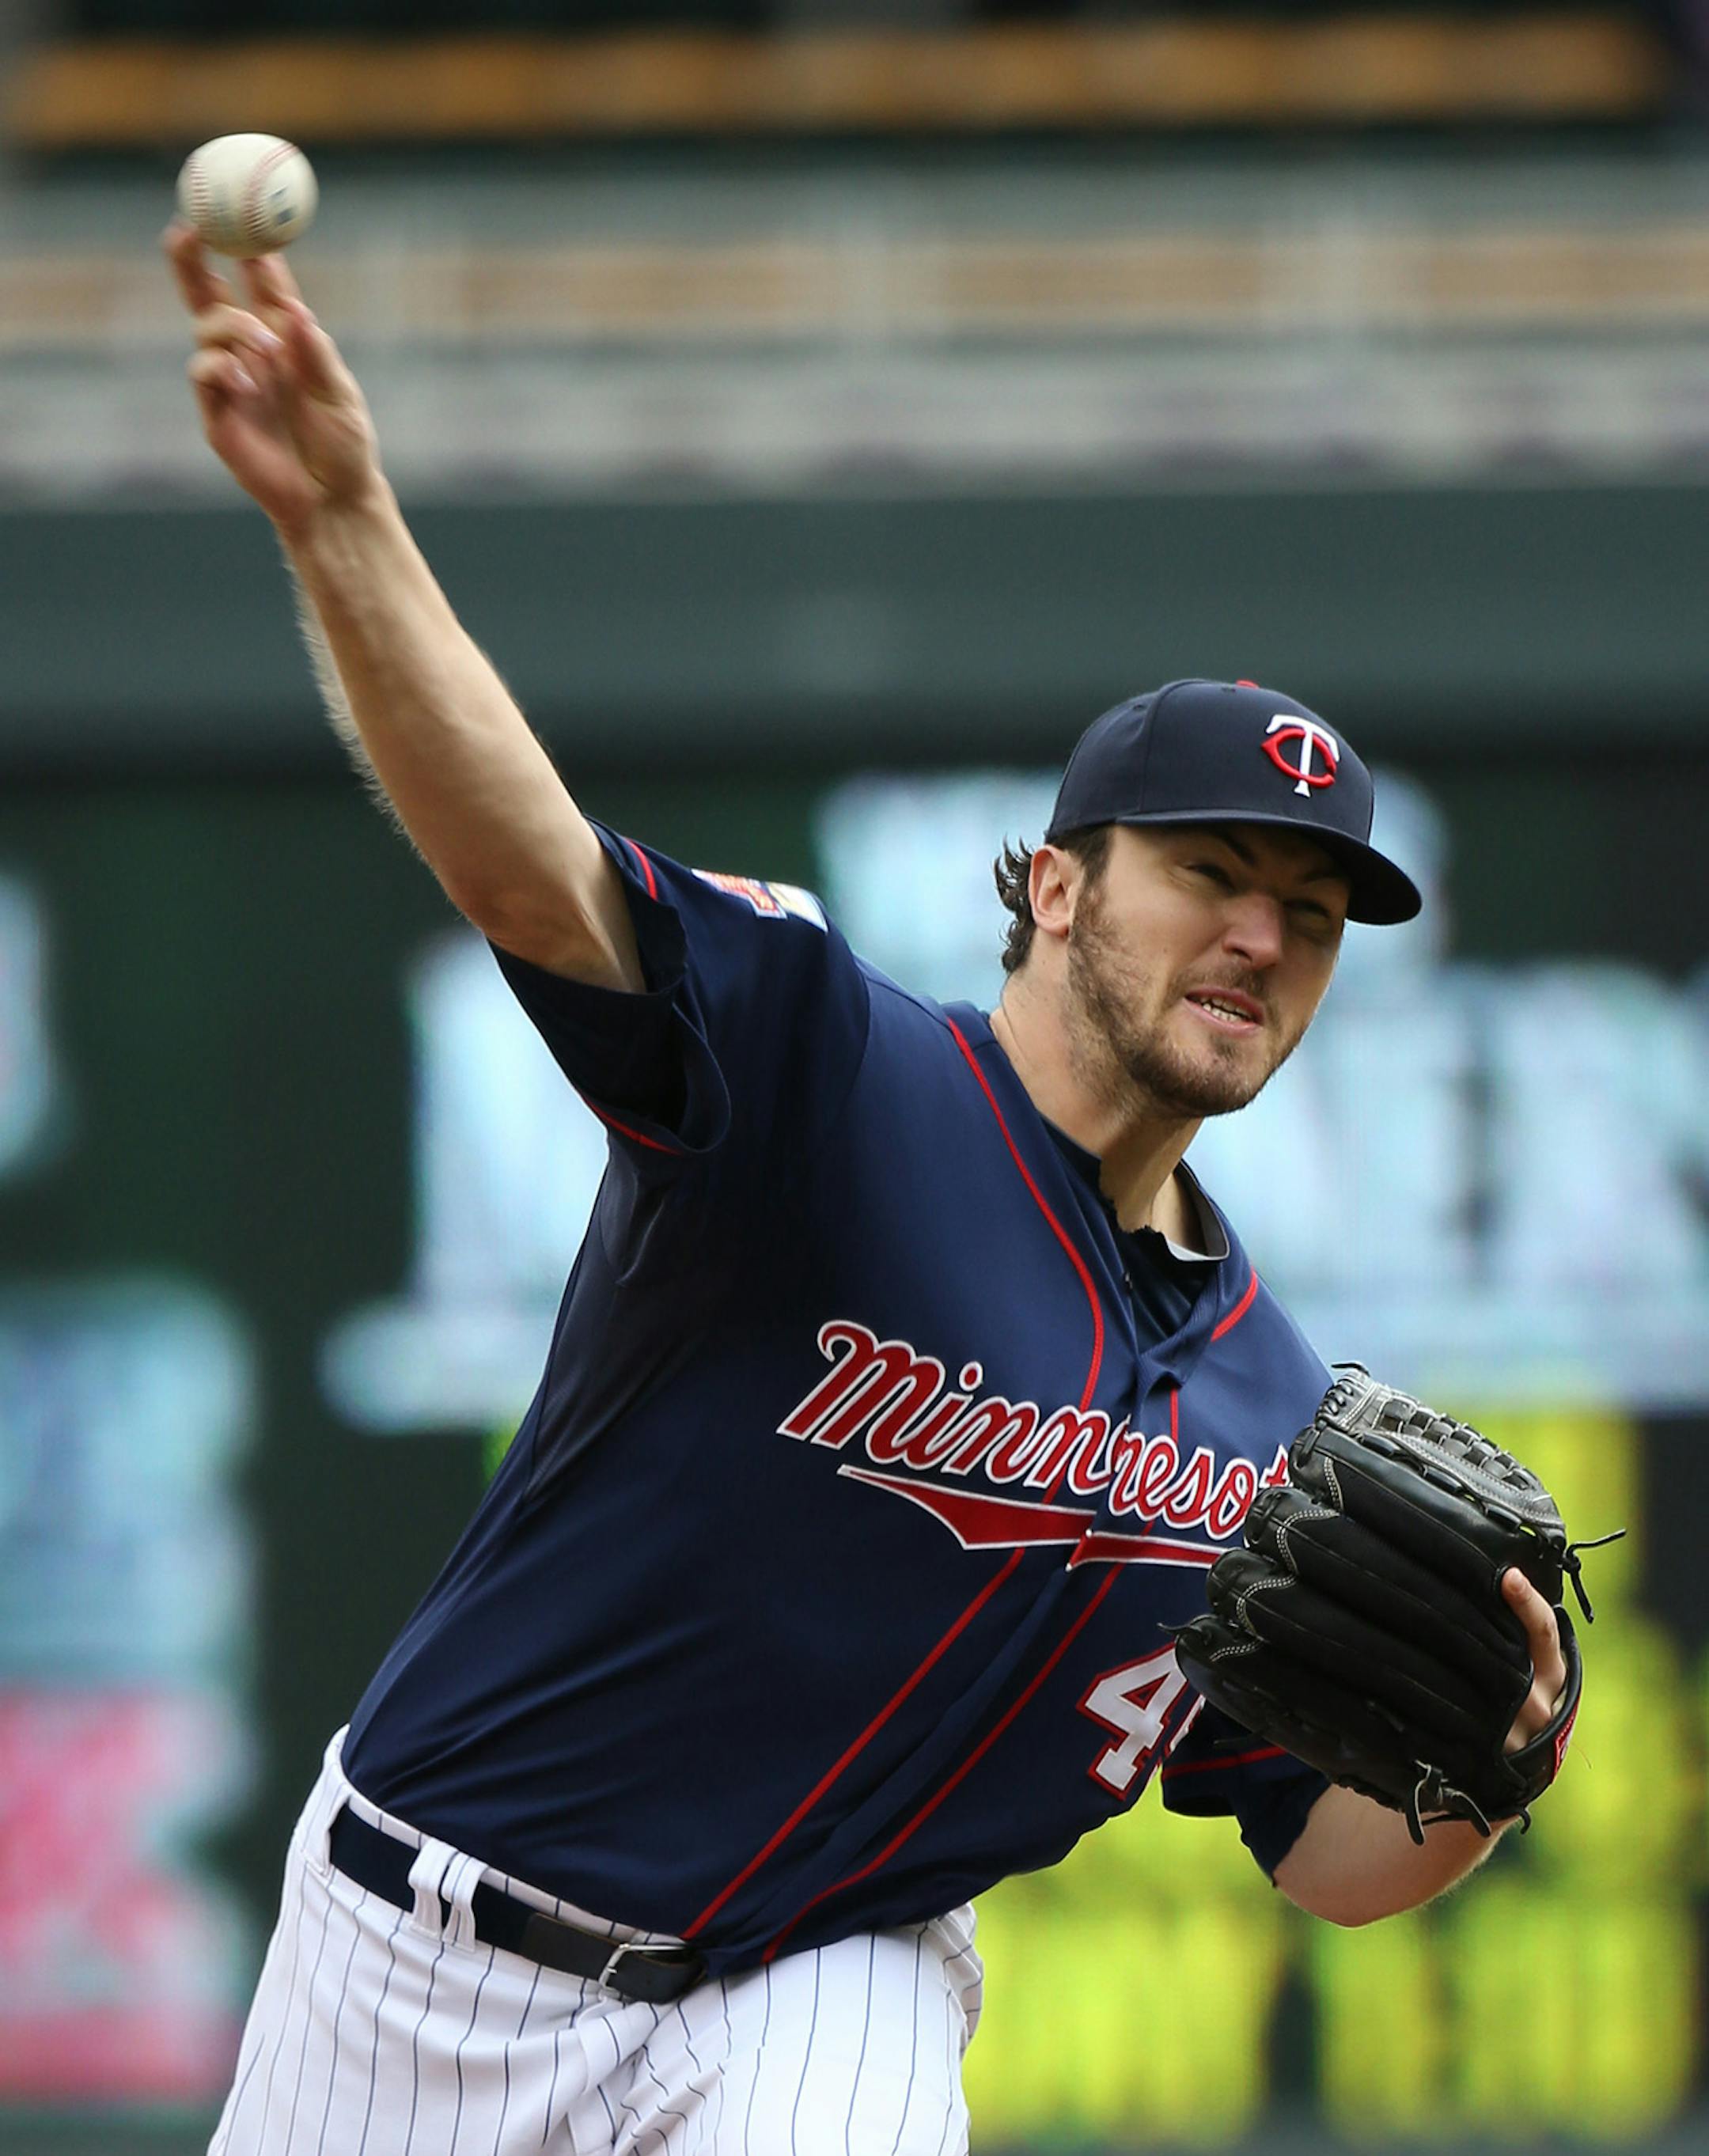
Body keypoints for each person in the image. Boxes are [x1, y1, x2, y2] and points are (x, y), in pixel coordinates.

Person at [167, 227, 1568, 2156]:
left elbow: (1323, 1861)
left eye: (1314, 914)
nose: (1265, 936)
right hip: (423, 1940)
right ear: (1059, 884)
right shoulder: (835, 1068)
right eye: (1215, 875)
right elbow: (526, 869)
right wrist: (342, 525)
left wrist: (1488, 1775)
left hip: (822, 1985)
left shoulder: (1279, 1422)